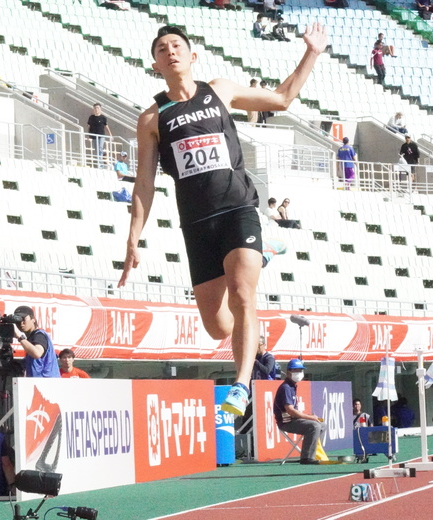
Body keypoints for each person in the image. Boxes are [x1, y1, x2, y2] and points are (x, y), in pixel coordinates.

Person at [118, 24, 327, 416]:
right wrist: (133, 238)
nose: (171, 52)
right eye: (162, 49)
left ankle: (242, 385)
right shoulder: (151, 118)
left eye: (177, 45)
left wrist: (312, 53)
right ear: (155, 64)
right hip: (198, 223)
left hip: (238, 208)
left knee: (243, 291)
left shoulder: (220, 90)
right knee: (218, 327)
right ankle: (260, 259)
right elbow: (144, 183)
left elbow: (281, 99)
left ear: (192, 55)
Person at [273, 359, 326, 464]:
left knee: (322, 424)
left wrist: (309, 416)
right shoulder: (286, 387)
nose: (299, 373)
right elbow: (290, 411)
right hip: (286, 422)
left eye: (300, 370)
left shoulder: (292, 386)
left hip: (294, 420)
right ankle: (307, 458)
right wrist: (310, 417)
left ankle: (315, 453)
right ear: (288, 372)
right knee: (314, 426)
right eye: (295, 370)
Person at [13, 305, 61, 378]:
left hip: (47, 383)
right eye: (18, 320)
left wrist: (20, 337)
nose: (21, 323)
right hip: (40, 383)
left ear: (33, 319)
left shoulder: (39, 335)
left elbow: (37, 353)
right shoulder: (31, 338)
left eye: (23, 319)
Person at [87, 103, 112, 168]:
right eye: (95, 108)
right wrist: (89, 136)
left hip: (101, 135)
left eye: (98, 108)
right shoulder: (91, 117)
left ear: (100, 109)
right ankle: (99, 163)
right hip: (94, 136)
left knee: (100, 148)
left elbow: (106, 126)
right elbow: (89, 127)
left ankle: (100, 164)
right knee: (96, 150)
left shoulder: (103, 117)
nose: (96, 109)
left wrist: (110, 134)